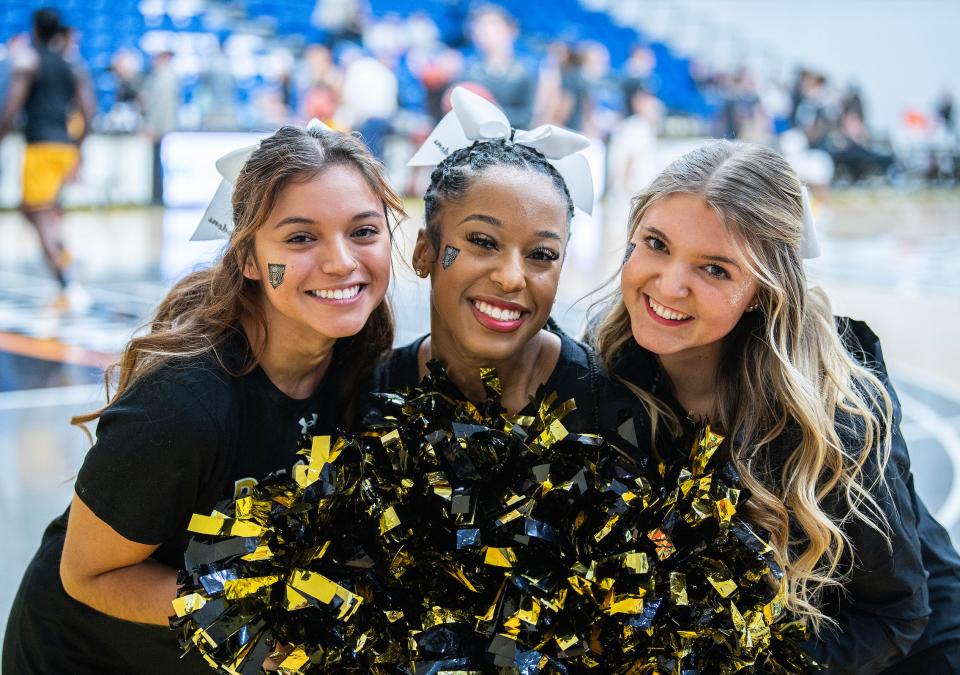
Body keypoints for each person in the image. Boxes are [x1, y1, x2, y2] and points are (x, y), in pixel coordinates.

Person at [3, 122, 405, 673]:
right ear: (249, 259)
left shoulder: (364, 359)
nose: (340, 261)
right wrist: (256, 621)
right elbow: (87, 574)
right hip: (86, 654)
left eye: (364, 231)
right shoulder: (182, 403)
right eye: (300, 238)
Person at [590, 139, 958, 673]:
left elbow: (897, 612)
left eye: (715, 269)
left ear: (762, 291)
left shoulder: (837, 421)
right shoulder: (609, 365)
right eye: (656, 243)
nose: (670, 284)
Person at [375, 86, 625, 436]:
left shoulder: (615, 410)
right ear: (425, 252)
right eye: (482, 242)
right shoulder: (364, 397)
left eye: (541, 255)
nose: (511, 279)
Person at [0, 8, 96, 310]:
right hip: (65, 148)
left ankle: (68, 283)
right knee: (39, 211)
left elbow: (12, 107)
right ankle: (64, 256)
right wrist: (79, 151)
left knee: (39, 215)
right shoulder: (72, 65)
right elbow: (89, 111)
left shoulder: (29, 62)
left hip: (41, 147)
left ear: (35, 30)